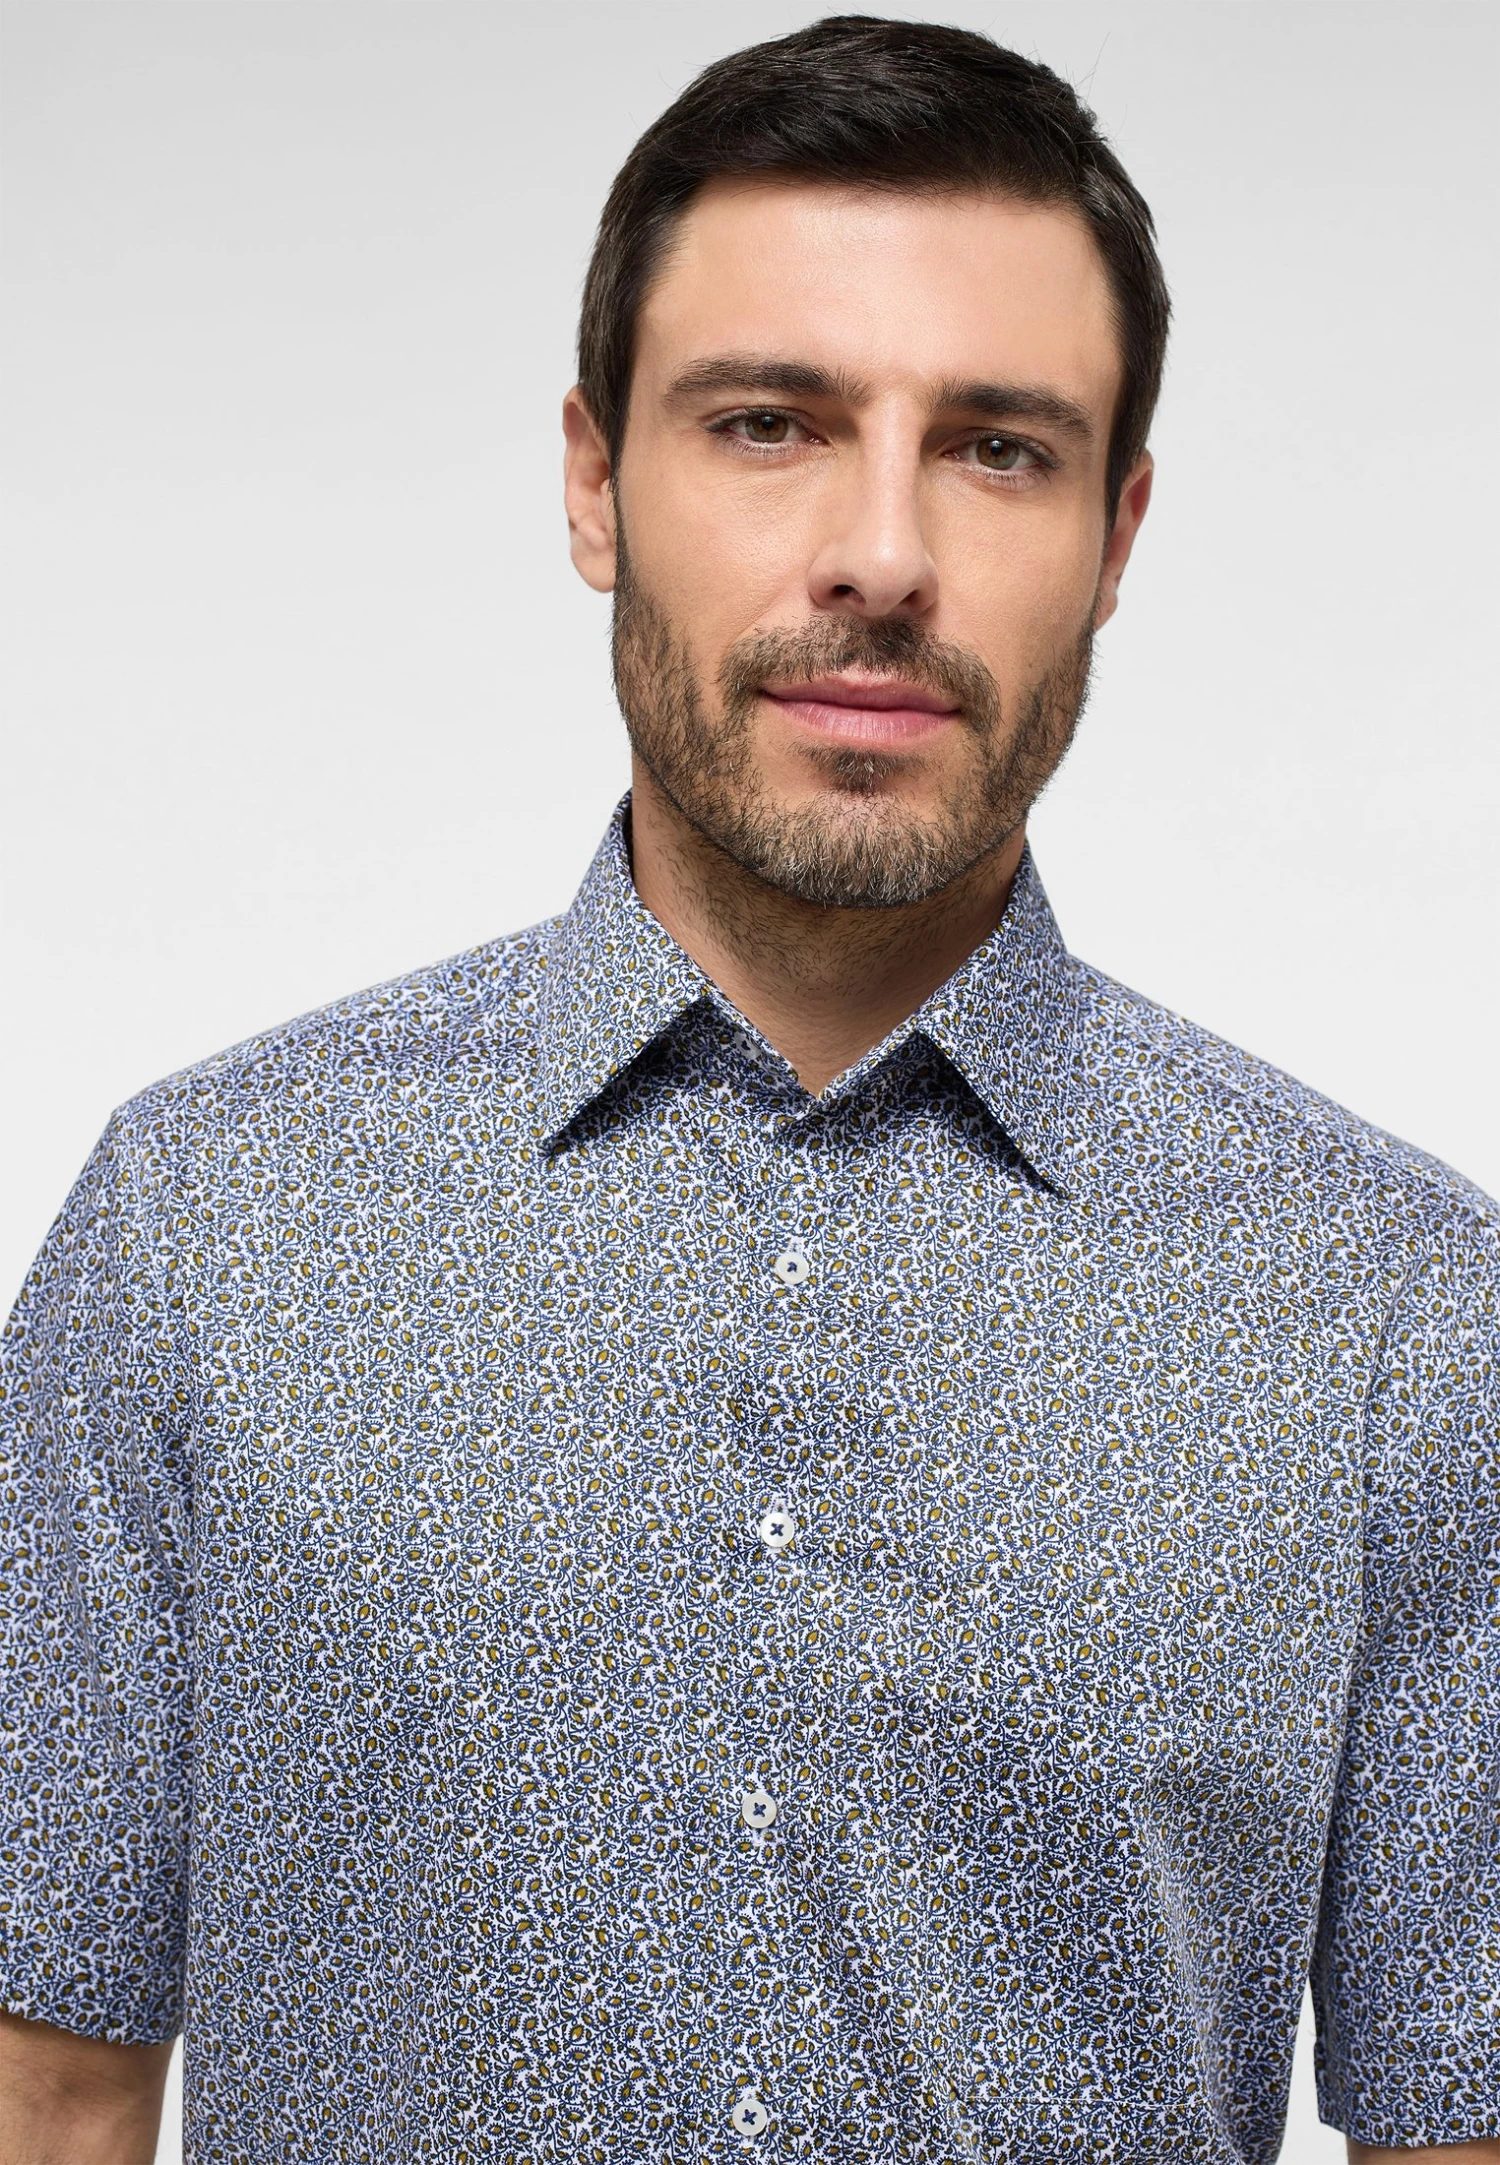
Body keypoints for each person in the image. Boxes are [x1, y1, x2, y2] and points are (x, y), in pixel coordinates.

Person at [1, 14, 1495, 2163]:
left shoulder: (1399, 1315)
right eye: (770, 422)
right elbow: (43, 2091)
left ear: (1119, 531)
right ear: (595, 481)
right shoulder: (202, 1227)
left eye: (998, 448)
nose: (882, 553)